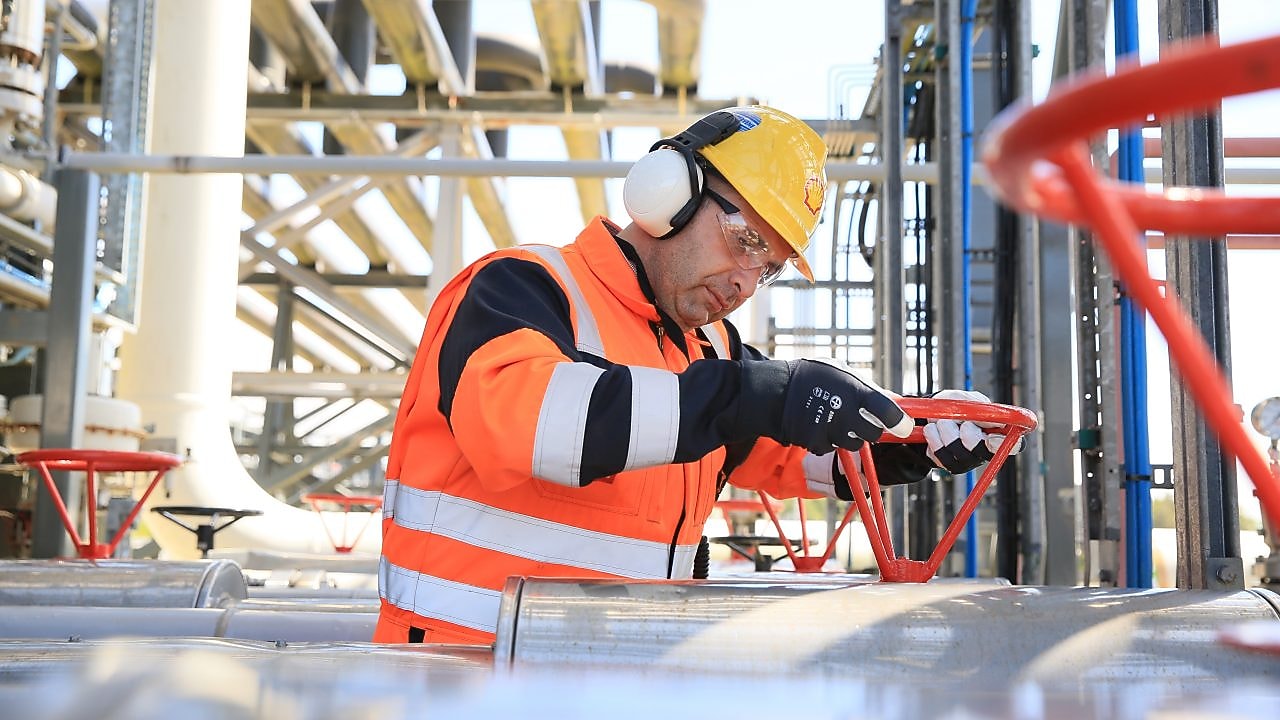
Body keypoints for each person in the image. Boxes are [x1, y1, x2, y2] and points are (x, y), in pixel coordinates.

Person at [374, 106, 1016, 645]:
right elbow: (533, 425)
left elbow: (784, 445)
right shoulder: (524, 287)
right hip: (455, 679)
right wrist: (750, 394)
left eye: (769, 269)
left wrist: (914, 439)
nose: (745, 284)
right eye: (747, 241)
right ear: (669, 193)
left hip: (614, 685)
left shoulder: (707, 351)